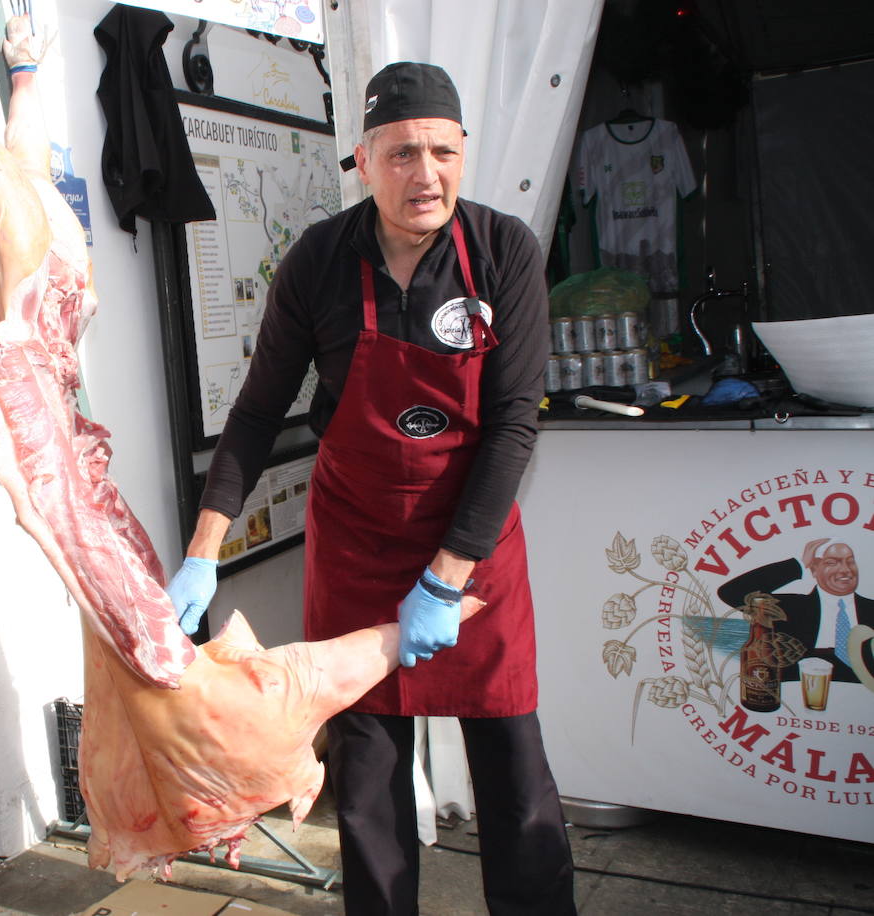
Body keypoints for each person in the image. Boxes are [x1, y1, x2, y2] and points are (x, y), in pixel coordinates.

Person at [166, 63, 576, 914]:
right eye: (399, 154)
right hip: (356, 546)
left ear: (463, 153)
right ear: (361, 159)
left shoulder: (504, 251)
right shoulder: (318, 261)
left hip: (472, 551)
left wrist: (447, 574)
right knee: (367, 779)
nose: (423, 174)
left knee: (514, 771)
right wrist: (203, 553)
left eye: (440, 151)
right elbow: (253, 416)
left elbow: (513, 425)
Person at [718, 538, 874, 683]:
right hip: (797, 698)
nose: (845, 569)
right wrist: (799, 564)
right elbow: (732, 592)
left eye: (850, 561)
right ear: (814, 570)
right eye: (833, 562)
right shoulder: (790, 607)